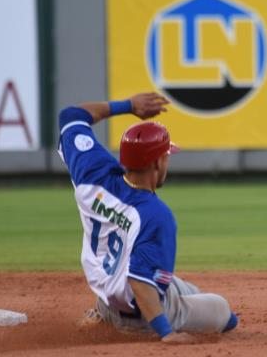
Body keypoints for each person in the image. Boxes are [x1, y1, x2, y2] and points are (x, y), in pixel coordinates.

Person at [57, 92, 239, 343]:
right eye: (166, 156)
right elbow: (139, 283)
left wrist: (128, 106)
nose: (167, 161)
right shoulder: (155, 214)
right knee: (224, 312)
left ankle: (102, 313)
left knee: (185, 288)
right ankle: (143, 324)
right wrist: (167, 333)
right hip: (141, 315)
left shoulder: (93, 172)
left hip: (107, 297)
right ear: (157, 163)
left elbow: (71, 116)